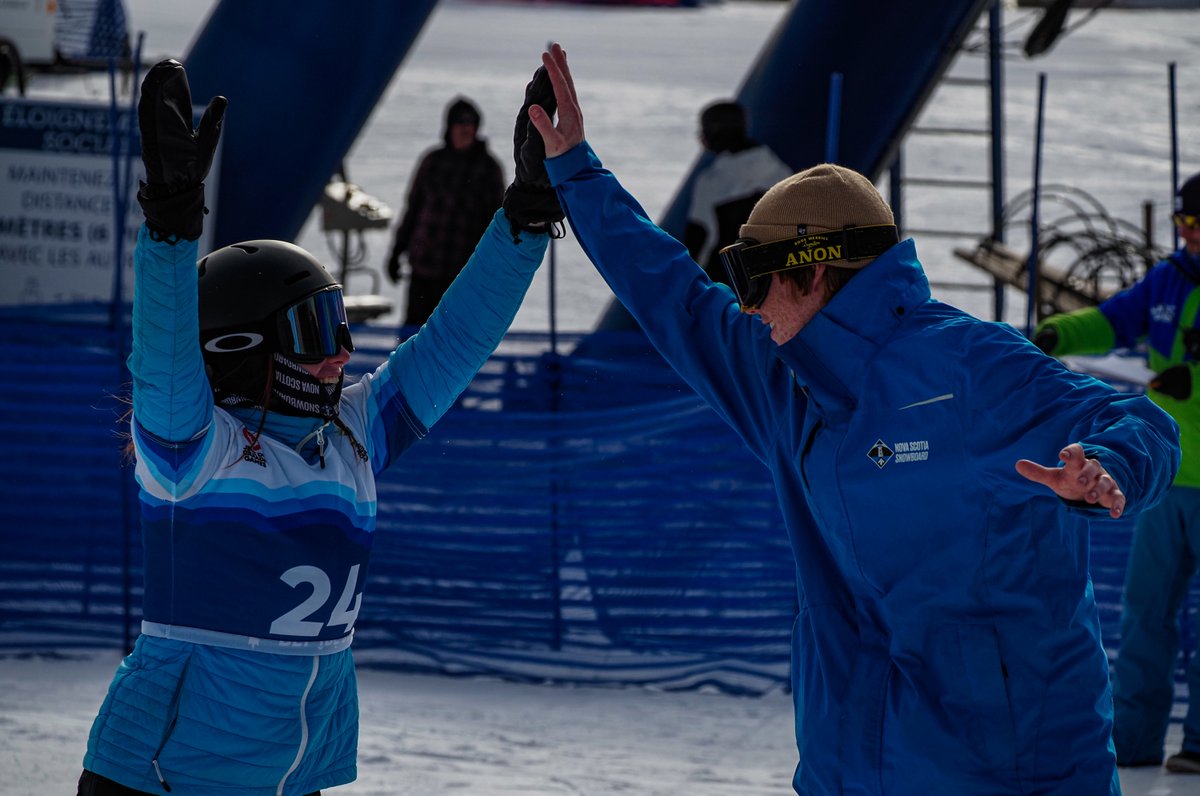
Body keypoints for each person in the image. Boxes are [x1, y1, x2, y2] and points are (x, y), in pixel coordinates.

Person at [527, 43, 1181, 794]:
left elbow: (1138, 418)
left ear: (814, 269)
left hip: (1006, 772)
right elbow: (673, 295)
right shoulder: (783, 377)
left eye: (752, 277)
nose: (741, 302)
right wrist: (575, 167)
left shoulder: (968, 368)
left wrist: (1110, 463)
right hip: (848, 766)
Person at [77, 59, 561, 795]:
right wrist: (171, 231)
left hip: (293, 773)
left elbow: (454, 341)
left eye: (339, 321)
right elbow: (164, 359)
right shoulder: (193, 454)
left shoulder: (352, 436)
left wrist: (523, 218)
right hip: (165, 775)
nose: (341, 352)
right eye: (312, 329)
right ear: (240, 348)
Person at [1033, 171, 1200, 775]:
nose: (1193, 236)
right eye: (1186, 224)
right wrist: (1054, 332)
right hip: (1169, 483)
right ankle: (1135, 743)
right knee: (1145, 615)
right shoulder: (1170, 280)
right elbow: (1110, 321)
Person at [385, 96, 506, 328]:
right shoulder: (432, 161)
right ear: (449, 127)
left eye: (470, 123)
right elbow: (413, 209)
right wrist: (396, 251)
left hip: (462, 274)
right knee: (414, 334)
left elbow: (496, 224)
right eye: (459, 123)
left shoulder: (488, 168)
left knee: (455, 336)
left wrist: (492, 268)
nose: (465, 129)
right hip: (424, 268)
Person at [682, 99, 791, 283]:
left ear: (716, 133)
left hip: (724, 283)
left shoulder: (712, 182)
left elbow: (696, 237)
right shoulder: (782, 173)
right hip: (776, 280)